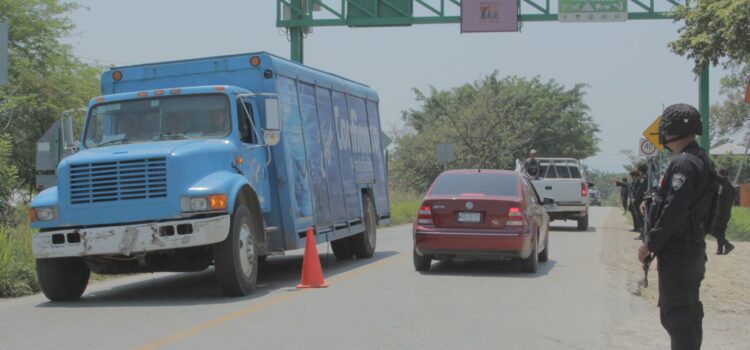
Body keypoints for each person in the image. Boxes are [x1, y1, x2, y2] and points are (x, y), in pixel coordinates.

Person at [638, 103, 710, 350]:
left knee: (677, 315)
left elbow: (674, 210)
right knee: (686, 313)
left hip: (680, 251)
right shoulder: (698, 159)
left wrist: (650, 244)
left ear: (672, 130)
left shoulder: (683, 164)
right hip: (691, 249)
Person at [711, 168, 736, 255]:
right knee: (721, 230)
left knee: (712, 229)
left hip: (720, 213)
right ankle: (720, 249)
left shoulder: (723, 184)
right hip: (727, 212)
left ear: (720, 175)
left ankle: (728, 245)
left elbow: (719, 202)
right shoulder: (732, 187)